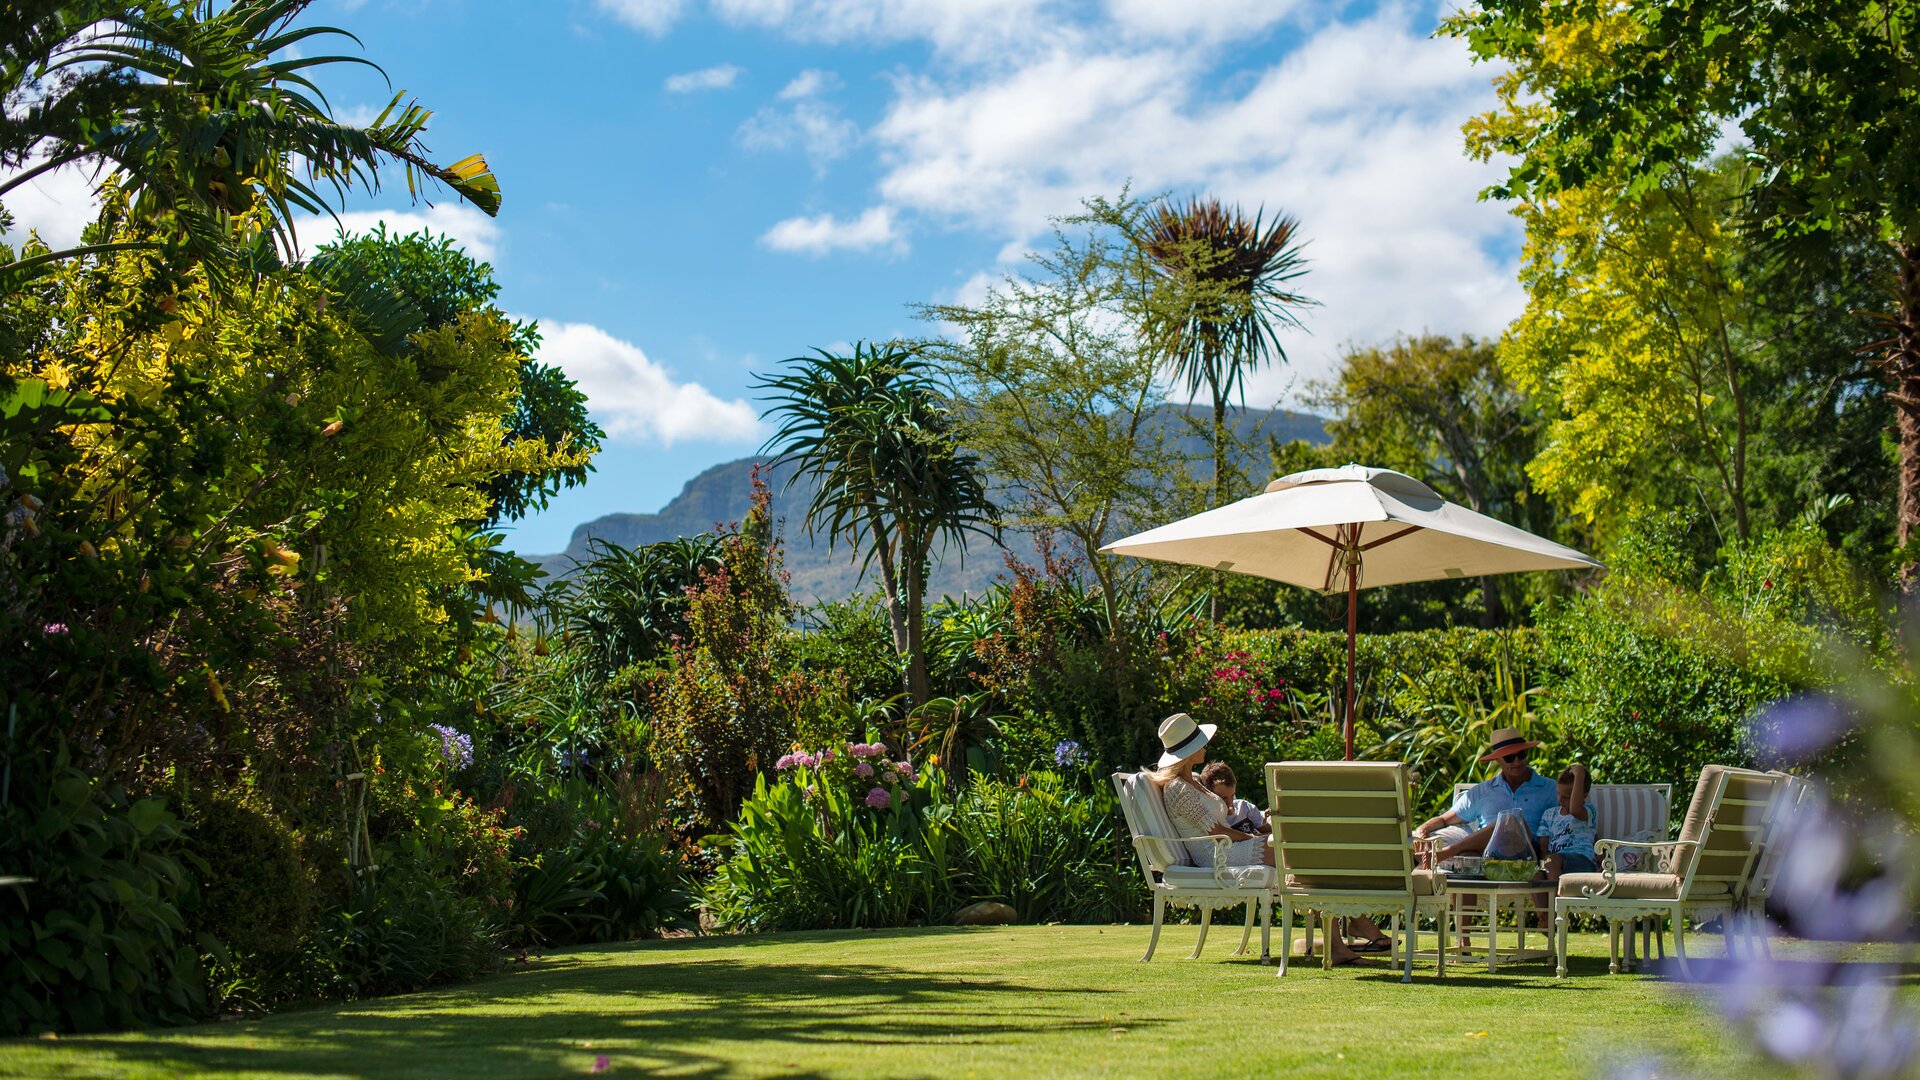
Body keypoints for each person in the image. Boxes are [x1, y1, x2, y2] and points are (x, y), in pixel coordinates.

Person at [1149, 714, 1388, 964]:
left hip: (1226, 846)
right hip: (1216, 854)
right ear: (1190, 750)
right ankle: (1351, 929)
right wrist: (1253, 837)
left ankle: (1345, 935)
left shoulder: (1195, 782)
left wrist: (1259, 828)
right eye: (1201, 742)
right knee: (1301, 853)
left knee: (1307, 858)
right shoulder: (1178, 788)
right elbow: (1217, 831)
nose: (1206, 746)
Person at [1412, 726, 1559, 865]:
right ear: (1497, 760)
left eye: (1521, 755)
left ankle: (1447, 852)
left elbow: (1575, 815)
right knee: (1468, 857)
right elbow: (1445, 819)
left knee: (1510, 820)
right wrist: (1422, 829)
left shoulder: (1550, 788)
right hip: (1489, 854)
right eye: (1509, 758)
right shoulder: (1483, 791)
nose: (1517, 761)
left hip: (1528, 853)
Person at [1536, 763, 1598, 881]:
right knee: (1535, 873)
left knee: (1552, 860)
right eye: (1558, 794)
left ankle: (1556, 899)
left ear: (1583, 795)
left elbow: (1575, 809)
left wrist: (1579, 774)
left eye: (1566, 797)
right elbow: (1543, 846)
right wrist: (1543, 868)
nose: (1559, 799)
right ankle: (1552, 899)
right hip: (1555, 863)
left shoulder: (1589, 812)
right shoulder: (1549, 814)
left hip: (1582, 861)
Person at [1198, 761, 1269, 837]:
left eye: (1232, 795)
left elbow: (1270, 832)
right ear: (1209, 796)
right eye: (1223, 798)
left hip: (1260, 844)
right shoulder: (1214, 821)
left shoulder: (1244, 807)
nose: (1229, 802)